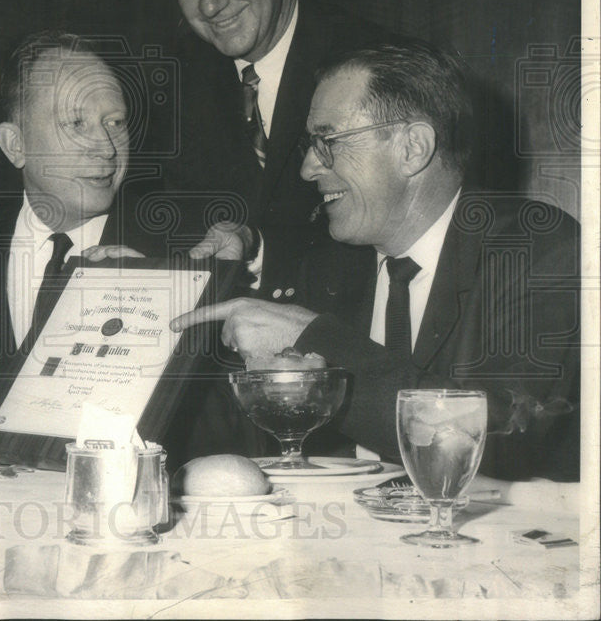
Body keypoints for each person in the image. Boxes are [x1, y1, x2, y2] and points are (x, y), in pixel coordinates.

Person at [172, 40, 580, 481]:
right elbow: (246, 437)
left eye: (328, 141)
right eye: (312, 144)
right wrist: (150, 296)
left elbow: (502, 434)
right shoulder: (328, 265)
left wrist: (316, 340)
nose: (308, 167)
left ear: (412, 148)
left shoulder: (537, 250)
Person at [0, 31, 258, 466]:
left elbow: (234, 436)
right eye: (76, 124)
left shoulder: (184, 255)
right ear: (16, 145)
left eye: (115, 122)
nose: (106, 148)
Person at [159, 0, 391, 294]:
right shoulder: (172, 87)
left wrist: (258, 247)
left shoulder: (373, 62)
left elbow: (397, 228)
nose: (209, 4)